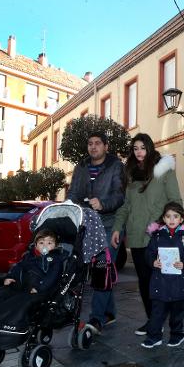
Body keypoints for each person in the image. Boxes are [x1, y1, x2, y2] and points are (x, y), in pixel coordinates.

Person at [111, 133, 182, 336]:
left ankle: (170, 321)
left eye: (142, 147)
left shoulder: (164, 170)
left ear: (149, 148)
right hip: (136, 234)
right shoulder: (131, 173)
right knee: (144, 279)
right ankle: (153, 320)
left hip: (159, 234)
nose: (139, 152)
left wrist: (169, 226)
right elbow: (125, 205)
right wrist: (117, 227)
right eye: (135, 148)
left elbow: (175, 200)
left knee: (163, 278)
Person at [67, 131, 124, 335]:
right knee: (100, 270)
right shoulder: (81, 167)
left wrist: (103, 204)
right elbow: (73, 192)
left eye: (98, 143)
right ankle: (109, 312)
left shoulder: (115, 166)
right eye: (90, 143)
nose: (93, 147)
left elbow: (120, 195)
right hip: (88, 225)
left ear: (106, 146)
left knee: (102, 269)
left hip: (109, 225)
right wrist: (72, 205)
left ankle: (96, 318)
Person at [0, 229, 64, 330]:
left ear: (55, 246)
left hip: (39, 290)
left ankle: (4, 326)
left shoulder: (55, 260)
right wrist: (10, 276)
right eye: (41, 242)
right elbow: (17, 267)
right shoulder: (29, 256)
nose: (45, 246)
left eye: (49, 243)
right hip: (22, 287)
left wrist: (39, 288)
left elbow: (52, 277)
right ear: (35, 245)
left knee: (14, 304)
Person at [141, 202, 184, 348]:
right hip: (160, 281)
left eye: (175, 216)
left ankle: (177, 335)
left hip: (179, 282)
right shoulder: (157, 235)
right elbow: (148, 253)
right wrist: (153, 262)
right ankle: (154, 337)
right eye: (168, 216)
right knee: (157, 311)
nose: (172, 219)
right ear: (164, 218)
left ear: (181, 219)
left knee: (177, 311)